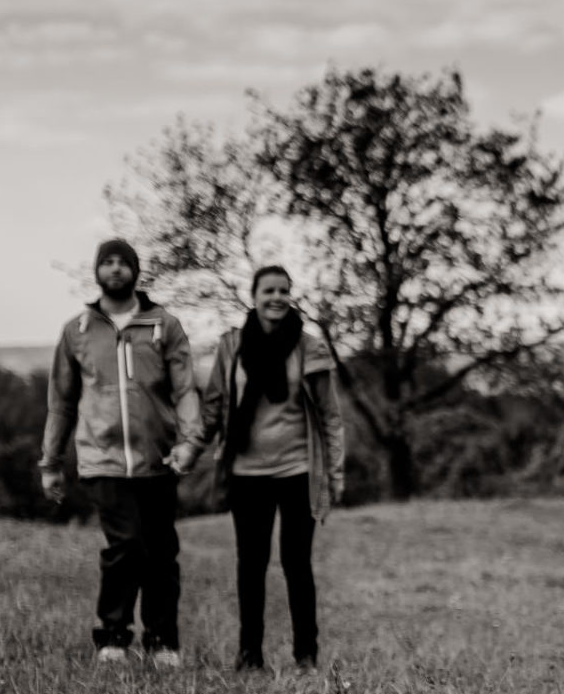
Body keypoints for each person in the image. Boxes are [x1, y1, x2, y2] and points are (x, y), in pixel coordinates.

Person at [40, 238, 202, 668]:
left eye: (122, 263)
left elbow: (185, 390)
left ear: (135, 270)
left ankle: (162, 640)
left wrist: (189, 443)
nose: (115, 269)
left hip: (159, 459)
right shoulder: (76, 331)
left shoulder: (164, 325)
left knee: (161, 552)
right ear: (97, 271)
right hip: (102, 458)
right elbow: (61, 401)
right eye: (107, 262)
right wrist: (51, 463)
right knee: (126, 546)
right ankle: (112, 636)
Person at [193, 265, 346, 672]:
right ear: (254, 295)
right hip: (246, 472)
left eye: (283, 290)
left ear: (291, 295)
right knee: (251, 564)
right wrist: (190, 449)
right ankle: (250, 656)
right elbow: (213, 408)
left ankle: (306, 656)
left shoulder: (309, 348)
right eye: (268, 290)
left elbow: (330, 415)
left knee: (297, 564)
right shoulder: (232, 346)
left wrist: (335, 470)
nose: (276, 297)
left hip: (298, 470)